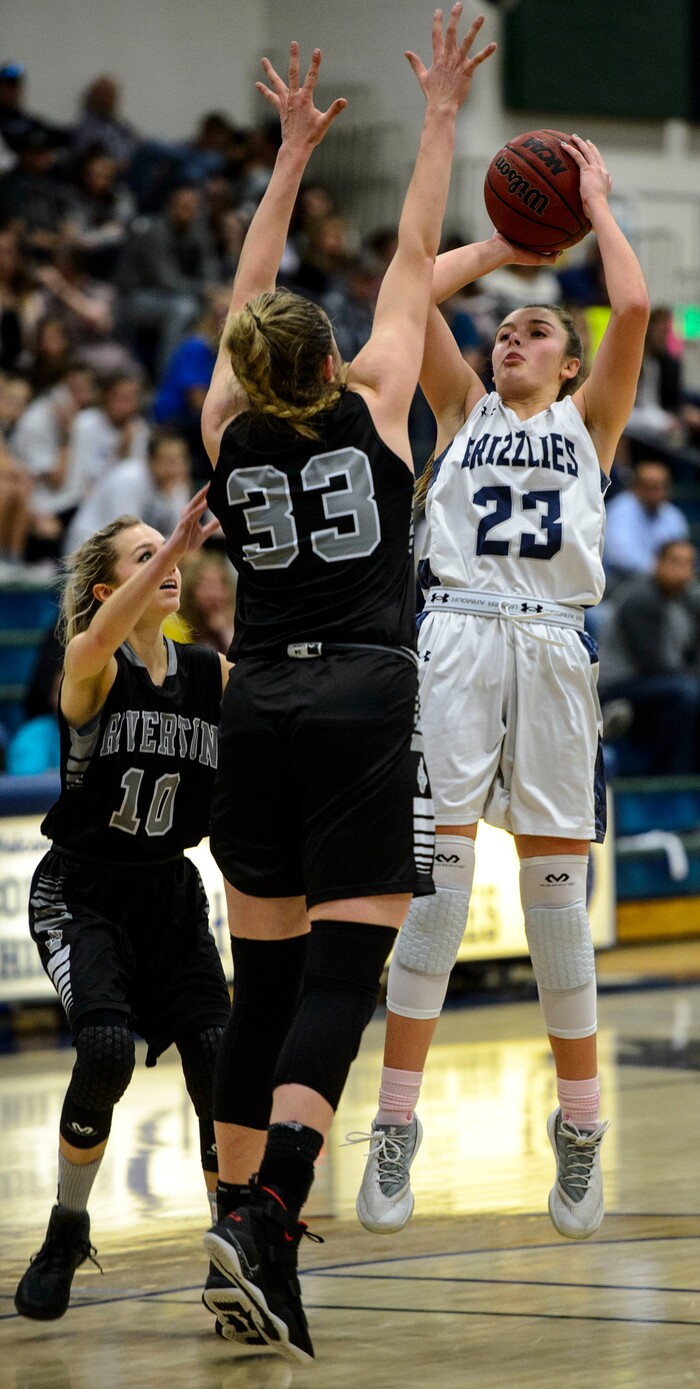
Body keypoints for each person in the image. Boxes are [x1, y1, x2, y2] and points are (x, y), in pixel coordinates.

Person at [197, 11, 496, 1363]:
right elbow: (410, 262)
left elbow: (250, 289)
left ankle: (227, 1226)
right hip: (365, 701)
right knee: (343, 974)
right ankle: (271, 1214)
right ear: (330, 360)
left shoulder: (222, 424)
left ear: (251, 367)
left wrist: (286, 159)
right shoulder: (379, 399)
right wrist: (435, 118)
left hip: (251, 703)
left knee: (258, 989)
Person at [354, 135, 649, 1244]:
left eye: (533, 331)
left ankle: (579, 1131)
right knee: (433, 896)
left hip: (555, 654)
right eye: (505, 331)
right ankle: (393, 1125)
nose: (510, 336)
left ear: (567, 366)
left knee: (556, 915)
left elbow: (630, 307)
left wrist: (595, 208)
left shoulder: (592, 423)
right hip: (457, 645)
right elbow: (410, 281)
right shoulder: (455, 404)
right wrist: (509, 242)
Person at [14, 488, 231, 1322]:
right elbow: (95, 639)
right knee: (105, 1049)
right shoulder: (92, 661)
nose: (167, 563)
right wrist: (177, 545)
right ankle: (67, 1228)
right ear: (107, 588)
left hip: (170, 892)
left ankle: (232, 1238)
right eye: (145, 557)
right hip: (84, 888)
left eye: (168, 552)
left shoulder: (210, 671)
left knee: (219, 1054)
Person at [598, 539, 700, 774]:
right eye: (675, 562)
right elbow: (652, 665)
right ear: (657, 564)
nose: (682, 571)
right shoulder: (640, 599)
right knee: (686, 694)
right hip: (621, 687)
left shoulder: (688, 601)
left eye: (688, 564)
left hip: (665, 683)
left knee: (686, 690)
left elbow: (692, 657)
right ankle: (672, 781)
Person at [603, 458, 689, 590]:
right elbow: (618, 556)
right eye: (648, 486)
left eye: (659, 487)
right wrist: (660, 570)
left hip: (662, 585)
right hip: (619, 583)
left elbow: (682, 553)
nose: (654, 493)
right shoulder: (620, 509)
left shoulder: (673, 515)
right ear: (635, 486)